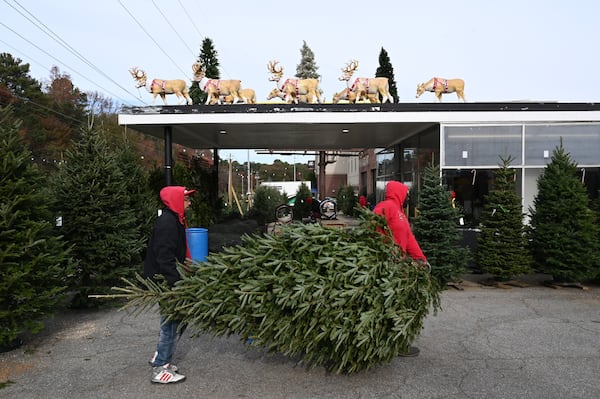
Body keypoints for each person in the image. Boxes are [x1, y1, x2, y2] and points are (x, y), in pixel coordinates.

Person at [143, 185, 196, 384]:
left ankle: (161, 359)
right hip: (164, 280)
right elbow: (164, 257)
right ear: (175, 200)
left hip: (170, 277)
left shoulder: (175, 219)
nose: (189, 203)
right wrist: (177, 283)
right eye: (186, 199)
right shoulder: (167, 222)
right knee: (171, 321)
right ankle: (160, 369)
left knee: (178, 319)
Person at [373, 181, 428, 357]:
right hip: (386, 266)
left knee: (398, 304)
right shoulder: (385, 207)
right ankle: (392, 344)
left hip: (398, 266)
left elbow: (408, 238)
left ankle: (396, 343)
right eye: (406, 194)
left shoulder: (400, 213)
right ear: (399, 193)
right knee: (392, 306)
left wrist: (420, 259)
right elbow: (370, 231)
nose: (407, 198)